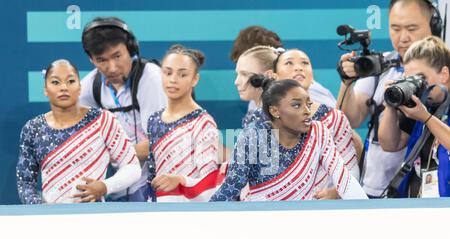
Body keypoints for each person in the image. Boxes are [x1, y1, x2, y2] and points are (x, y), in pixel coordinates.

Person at [336, 0, 441, 198]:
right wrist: (346, 82)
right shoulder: (377, 65)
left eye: (412, 28)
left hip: (416, 191)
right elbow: (352, 119)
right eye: (395, 28)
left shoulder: (442, 69)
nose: (403, 38)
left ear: (434, 26)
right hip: (371, 189)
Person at [210, 78, 368, 201]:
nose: (307, 112)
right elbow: (231, 188)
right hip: (261, 221)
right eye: (297, 105)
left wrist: (368, 214)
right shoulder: (254, 137)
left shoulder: (318, 131)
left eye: (309, 104)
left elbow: (344, 179)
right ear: (275, 111)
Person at [16, 60, 141, 204]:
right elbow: (25, 183)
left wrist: (105, 186)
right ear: (45, 89)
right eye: (55, 82)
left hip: (94, 217)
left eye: (70, 81)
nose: (64, 87)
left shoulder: (102, 120)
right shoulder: (33, 129)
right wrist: (41, 211)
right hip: (50, 220)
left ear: (80, 87)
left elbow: (132, 167)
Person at [79, 17, 167, 201]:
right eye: (101, 60)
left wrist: (111, 153)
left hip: (155, 184)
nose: (111, 68)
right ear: (91, 59)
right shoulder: (88, 86)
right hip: (115, 189)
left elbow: (162, 143)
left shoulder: (151, 78)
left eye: (117, 56)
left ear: (131, 48)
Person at [274, 49, 360, 199]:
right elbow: (256, 173)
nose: (299, 67)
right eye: (289, 63)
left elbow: (351, 167)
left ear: (312, 77)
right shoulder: (262, 119)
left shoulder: (334, 117)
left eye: (305, 63)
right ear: (274, 76)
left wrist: (337, 192)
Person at [147, 45, 222, 202]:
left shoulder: (202, 122)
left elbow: (209, 182)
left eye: (182, 75)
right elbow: (152, 173)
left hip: (189, 210)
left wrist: (181, 180)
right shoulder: (154, 119)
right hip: (158, 209)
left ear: (195, 79)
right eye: (168, 73)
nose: (173, 80)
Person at [378, 36, 450, 197]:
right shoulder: (419, 106)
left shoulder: (422, 112)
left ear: (444, 74)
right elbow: (390, 144)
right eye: (409, 78)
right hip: (418, 203)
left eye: (421, 78)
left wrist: (427, 118)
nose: (416, 85)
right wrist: (391, 105)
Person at [230, 26, 337, 112]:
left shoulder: (308, 94)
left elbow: (343, 128)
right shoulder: (255, 104)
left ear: (269, 72)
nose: (236, 82)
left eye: (244, 73)